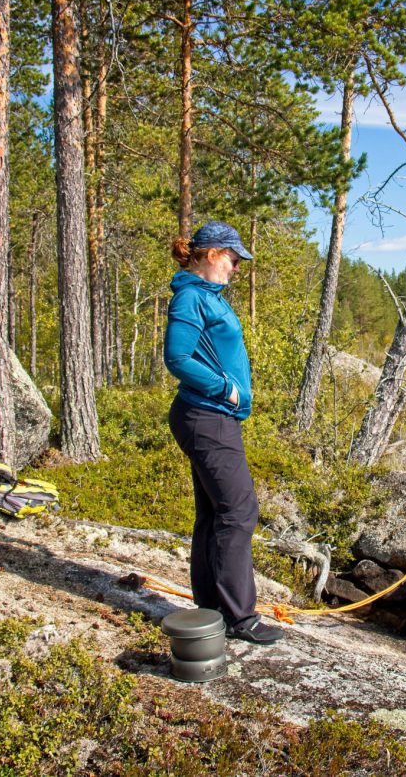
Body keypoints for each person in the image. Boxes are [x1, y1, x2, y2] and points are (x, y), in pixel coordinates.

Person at [164, 220, 284, 644]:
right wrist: (227, 389)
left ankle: (211, 608)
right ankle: (239, 618)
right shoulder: (192, 298)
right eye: (233, 259)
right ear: (212, 254)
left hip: (212, 416)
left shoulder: (206, 297)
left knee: (215, 513)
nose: (236, 268)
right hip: (207, 415)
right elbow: (177, 358)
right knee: (238, 511)